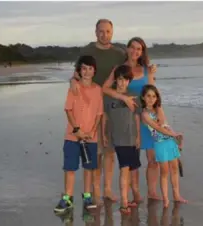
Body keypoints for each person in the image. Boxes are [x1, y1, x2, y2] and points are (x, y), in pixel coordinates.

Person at [69, 19, 157, 203]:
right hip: (99, 104)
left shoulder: (119, 53)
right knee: (101, 150)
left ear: (112, 32)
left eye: (108, 31)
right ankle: (97, 190)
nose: (104, 34)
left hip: (126, 112)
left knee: (118, 150)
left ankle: (112, 189)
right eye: (101, 31)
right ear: (95, 32)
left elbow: (136, 62)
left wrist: (151, 70)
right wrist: (72, 82)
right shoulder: (87, 51)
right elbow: (78, 73)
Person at [102, 37, 163, 200]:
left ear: (142, 52)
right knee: (131, 160)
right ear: (127, 49)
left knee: (152, 158)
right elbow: (105, 88)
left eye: (139, 49)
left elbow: (154, 93)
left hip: (147, 118)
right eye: (133, 47)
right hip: (128, 120)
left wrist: (160, 114)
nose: (135, 51)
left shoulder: (146, 70)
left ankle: (152, 191)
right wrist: (124, 99)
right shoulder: (119, 69)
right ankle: (134, 192)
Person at [54, 55, 103, 214]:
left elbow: (99, 114)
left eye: (90, 68)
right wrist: (77, 130)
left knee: (89, 167)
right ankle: (67, 197)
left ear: (94, 70)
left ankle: (87, 195)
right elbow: (68, 110)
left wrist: (91, 132)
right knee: (70, 167)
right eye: (84, 68)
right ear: (79, 71)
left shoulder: (98, 90)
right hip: (72, 136)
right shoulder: (74, 88)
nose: (87, 72)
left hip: (90, 137)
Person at [140, 84, 188, 208]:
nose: (151, 99)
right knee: (164, 172)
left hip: (170, 142)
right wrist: (173, 134)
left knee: (175, 169)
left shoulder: (159, 109)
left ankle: (176, 195)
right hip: (160, 144)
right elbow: (157, 128)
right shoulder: (144, 114)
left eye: (154, 96)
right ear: (143, 97)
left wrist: (176, 138)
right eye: (148, 96)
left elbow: (164, 124)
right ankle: (166, 198)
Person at [102, 65, 141, 214]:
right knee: (124, 170)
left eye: (125, 80)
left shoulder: (134, 96)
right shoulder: (109, 97)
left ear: (129, 81)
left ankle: (128, 198)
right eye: (119, 79)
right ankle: (124, 202)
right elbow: (105, 117)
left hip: (132, 138)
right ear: (115, 80)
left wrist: (138, 136)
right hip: (119, 139)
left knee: (132, 169)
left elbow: (137, 116)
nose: (122, 82)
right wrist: (104, 135)